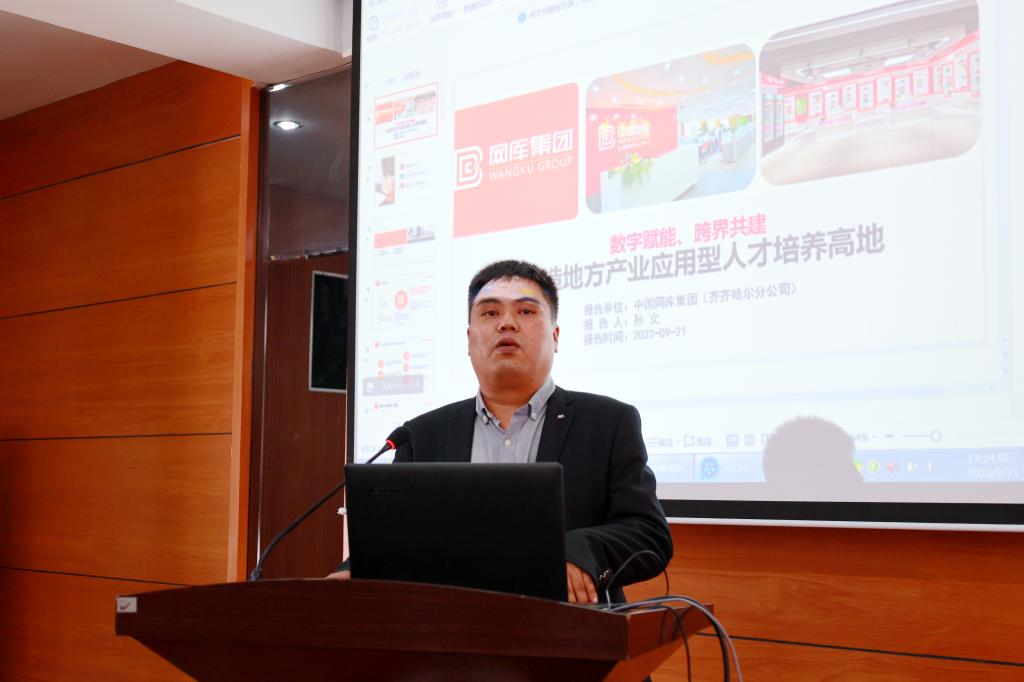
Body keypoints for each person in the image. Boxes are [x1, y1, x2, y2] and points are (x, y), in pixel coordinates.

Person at [333, 260, 672, 603]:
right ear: (469, 339)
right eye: (490, 313)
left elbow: (649, 534)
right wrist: (353, 570)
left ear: (555, 336)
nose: (506, 323)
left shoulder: (608, 423)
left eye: (525, 311)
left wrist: (582, 552)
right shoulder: (421, 435)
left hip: (569, 626)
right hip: (451, 626)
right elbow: (392, 538)